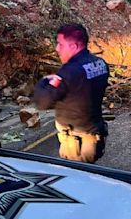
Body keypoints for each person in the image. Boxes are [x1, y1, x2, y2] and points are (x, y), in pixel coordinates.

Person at [34, 23, 109, 163]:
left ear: (73, 47)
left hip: (76, 143)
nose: (57, 49)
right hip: (94, 134)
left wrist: (44, 82)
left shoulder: (69, 72)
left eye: (60, 44)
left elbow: (43, 102)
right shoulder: (100, 64)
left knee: (76, 180)